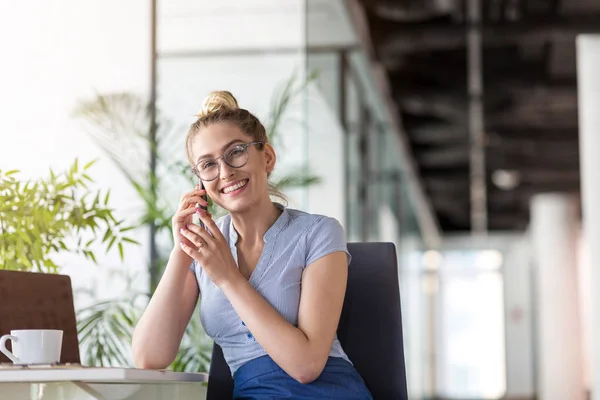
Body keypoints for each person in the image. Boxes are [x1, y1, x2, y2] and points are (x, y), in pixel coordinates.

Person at [132, 91, 373, 399]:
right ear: (200, 185)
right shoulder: (202, 249)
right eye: (207, 165)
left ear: (267, 157)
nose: (225, 172)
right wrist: (182, 249)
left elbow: (306, 366)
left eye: (236, 152)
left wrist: (227, 277)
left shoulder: (319, 233)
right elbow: (149, 358)